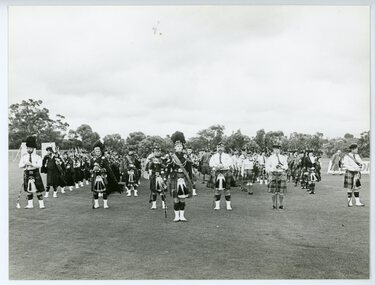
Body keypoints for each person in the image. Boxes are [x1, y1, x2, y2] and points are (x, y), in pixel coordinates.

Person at [166, 131, 192, 222]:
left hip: (184, 178)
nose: (179, 147)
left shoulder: (186, 156)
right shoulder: (172, 157)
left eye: (180, 146)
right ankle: (176, 216)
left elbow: (189, 169)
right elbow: (168, 168)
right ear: (175, 147)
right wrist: (165, 178)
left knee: (183, 198)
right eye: (177, 146)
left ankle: (182, 216)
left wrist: (190, 179)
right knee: (176, 198)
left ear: (182, 147)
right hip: (175, 178)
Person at [90, 140, 122, 209]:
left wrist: (101, 170)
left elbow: (108, 169)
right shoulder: (92, 159)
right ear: (94, 152)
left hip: (103, 176)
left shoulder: (104, 159)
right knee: (95, 192)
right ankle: (96, 204)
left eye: (98, 151)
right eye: (96, 151)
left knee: (104, 191)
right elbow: (89, 168)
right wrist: (92, 170)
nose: (97, 152)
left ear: (101, 151)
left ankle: (105, 204)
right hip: (95, 177)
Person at [18, 136, 45, 209]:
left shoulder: (37, 157)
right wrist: (25, 164)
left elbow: (40, 165)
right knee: (28, 190)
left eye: (30, 148)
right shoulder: (24, 156)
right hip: (27, 173)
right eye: (27, 148)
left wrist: (31, 164)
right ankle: (30, 204)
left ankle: (41, 204)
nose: (28, 149)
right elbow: (20, 165)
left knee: (38, 189)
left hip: (35, 173)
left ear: (33, 148)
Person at [209, 142, 234, 210]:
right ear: (217, 148)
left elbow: (230, 163)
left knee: (227, 189)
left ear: (223, 148)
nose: (220, 149)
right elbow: (210, 164)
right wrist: (217, 166)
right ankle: (217, 206)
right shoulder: (214, 156)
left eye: (221, 147)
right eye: (218, 147)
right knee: (217, 189)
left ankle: (228, 206)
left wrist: (223, 165)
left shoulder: (227, 156)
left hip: (226, 172)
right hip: (217, 172)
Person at [265, 140, 288, 209]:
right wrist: (271, 170)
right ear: (273, 150)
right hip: (273, 174)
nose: (276, 150)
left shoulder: (283, 157)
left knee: (281, 192)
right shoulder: (270, 158)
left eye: (278, 149)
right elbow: (267, 166)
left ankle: (281, 204)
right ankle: (273, 205)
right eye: (275, 149)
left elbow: (286, 166)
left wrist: (282, 167)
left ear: (280, 150)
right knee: (273, 192)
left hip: (281, 174)